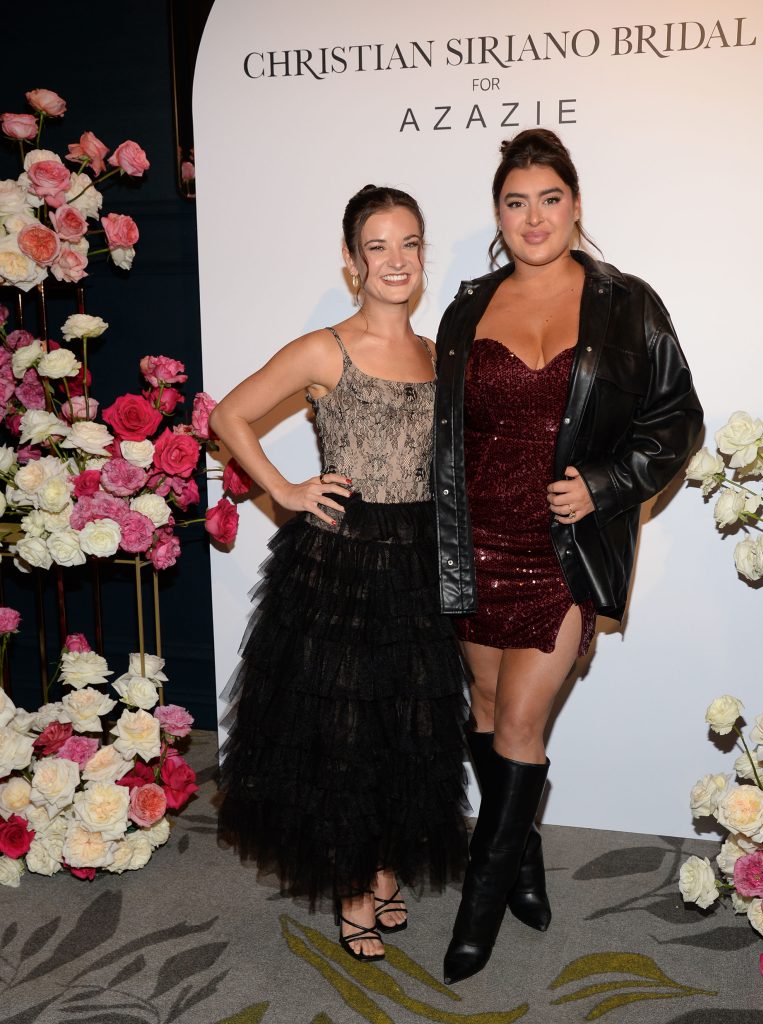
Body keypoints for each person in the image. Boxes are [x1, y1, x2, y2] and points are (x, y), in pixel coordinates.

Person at [433, 129, 703, 984]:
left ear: (576, 205)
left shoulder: (629, 304)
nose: (534, 217)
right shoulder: (469, 305)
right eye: (516, 202)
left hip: (561, 549)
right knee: (483, 701)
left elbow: (677, 420)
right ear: (498, 215)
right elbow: (439, 429)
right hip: (473, 539)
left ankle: (479, 905)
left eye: (550, 199)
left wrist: (606, 481)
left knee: (520, 721)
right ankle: (524, 856)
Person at [215, 185, 468, 963]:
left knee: (409, 725)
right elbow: (229, 415)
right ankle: (355, 887)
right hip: (345, 560)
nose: (397, 261)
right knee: (346, 734)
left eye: (410, 244)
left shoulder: (435, 354)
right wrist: (285, 491)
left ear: (423, 255)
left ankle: (386, 864)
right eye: (379, 247)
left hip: (420, 559)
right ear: (354, 260)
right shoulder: (328, 347)